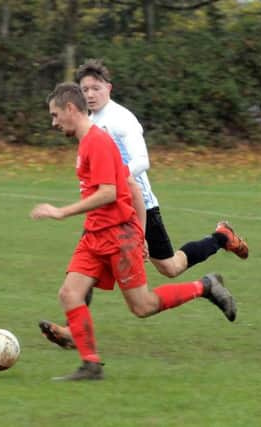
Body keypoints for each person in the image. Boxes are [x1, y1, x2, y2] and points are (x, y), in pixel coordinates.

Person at [31, 82, 236, 380]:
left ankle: (204, 287)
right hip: (95, 235)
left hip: (116, 236)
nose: (53, 122)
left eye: (55, 114)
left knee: (143, 306)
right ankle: (90, 365)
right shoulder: (86, 142)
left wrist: (62, 212)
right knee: (70, 293)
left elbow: (109, 193)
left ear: (71, 109)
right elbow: (131, 187)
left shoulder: (97, 142)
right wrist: (140, 232)